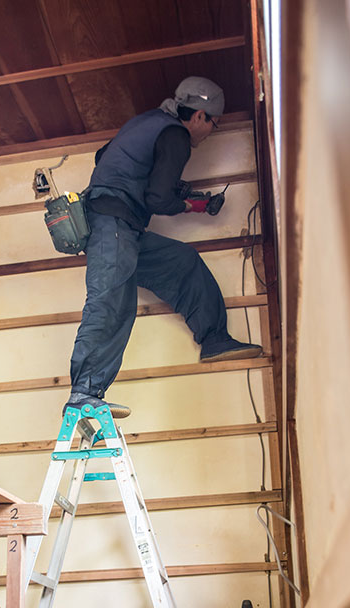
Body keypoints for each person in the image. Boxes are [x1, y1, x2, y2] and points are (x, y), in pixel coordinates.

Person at [64, 76, 262, 419]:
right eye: (213, 124)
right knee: (110, 301)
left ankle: (214, 339)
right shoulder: (175, 134)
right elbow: (157, 197)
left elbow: (104, 157)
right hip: (112, 224)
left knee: (182, 262)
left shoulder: (146, 122)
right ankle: (83, 393)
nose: (209, 131)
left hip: (123, 228)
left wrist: (181, 194)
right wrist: (188, 204)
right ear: (199, 116)